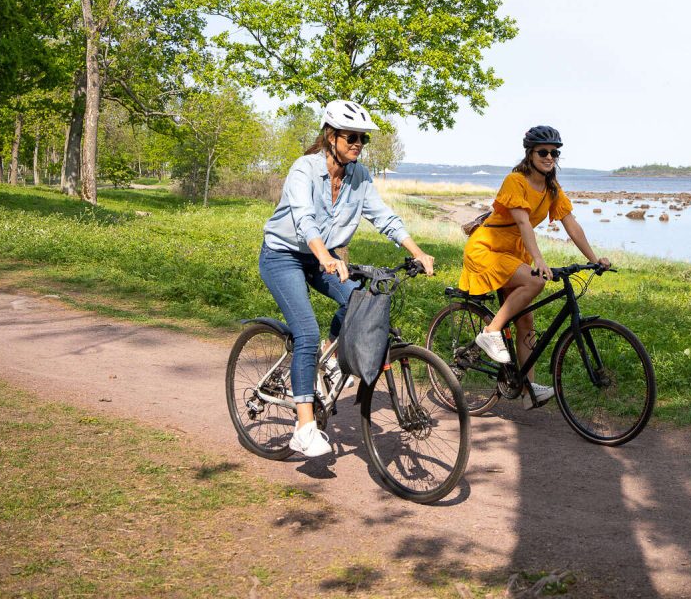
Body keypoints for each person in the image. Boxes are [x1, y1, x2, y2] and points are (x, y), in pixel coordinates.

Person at [260, 99, 435, 458]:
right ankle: (304, 428)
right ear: (330, 136)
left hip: (323, 258)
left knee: (360, 300)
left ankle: (326, 359)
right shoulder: (304, 169)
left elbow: (383, 216)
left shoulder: (360, 176)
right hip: (283, 256)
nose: (358, 143)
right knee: (305, 331)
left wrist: (416, 250)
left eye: (362, 139)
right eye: (351, 136)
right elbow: (302, 217)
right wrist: (324, 255)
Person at [459, 125, 610, 405]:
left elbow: (571, 224)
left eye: (555, 153)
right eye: (543, 152)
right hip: (488, 249)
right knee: (535, 281)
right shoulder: (515, 181)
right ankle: (491, 332)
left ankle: (528, 389)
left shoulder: (551, 188)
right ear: (530, 154)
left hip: (514, 254)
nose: (550, 157)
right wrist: (539, 261)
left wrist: (593, 259)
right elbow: (522, 222)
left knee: (526, 321)